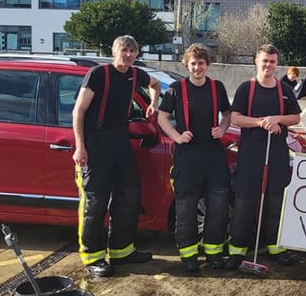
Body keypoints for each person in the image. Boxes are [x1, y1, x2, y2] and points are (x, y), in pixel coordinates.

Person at [72, 35, 160, 278]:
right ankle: (93, 257)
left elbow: (156, 85)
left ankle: (122, 251)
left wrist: (152, 105)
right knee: (95, 201)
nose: (128, 54)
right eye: (124, 50)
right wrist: (80, 147)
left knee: (129, 193)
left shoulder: (135, 74)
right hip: (95, 143)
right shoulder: (99, 75)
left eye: (132, 50)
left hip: (120, 141)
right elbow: (78, 111)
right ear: (114, 51)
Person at [157, 44, 232, 273]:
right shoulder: (176, 89)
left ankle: (213, 253)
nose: (197, 67)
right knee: (186, 206)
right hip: (188, 155)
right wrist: (177, 136)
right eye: (193, 64)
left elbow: (227, 114)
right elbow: (162, 117)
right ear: (186, 65)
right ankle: (188, 255)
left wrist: (222, 128)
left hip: (213, 153)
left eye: (201, 63)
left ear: (207, 65)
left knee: (218, 203)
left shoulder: (216, 87)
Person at [227, 44, 302, 269]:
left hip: (277, 153)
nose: (268, 65)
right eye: (264, 61)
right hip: (250, 154)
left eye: (272, 61)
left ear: (276, 64)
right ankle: (237, 250)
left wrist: (278, 118)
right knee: (244, 200)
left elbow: (296, 117)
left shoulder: (284, 90)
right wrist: (261, 122)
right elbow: (236, 118)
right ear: (256, 62)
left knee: (276, 201)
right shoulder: (246, 89)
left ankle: (275, 247)